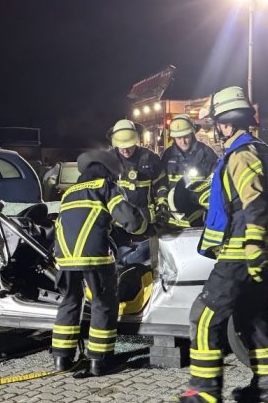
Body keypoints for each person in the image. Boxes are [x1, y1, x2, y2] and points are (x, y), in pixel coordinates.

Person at [177, 86, 268, 403]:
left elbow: (253, 207)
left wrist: (252, 254)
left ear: (224, 124)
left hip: (240, 254)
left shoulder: (241, 155)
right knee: (253, 318)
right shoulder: (260, 150)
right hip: (254, 254)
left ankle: (204, 392)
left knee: (204, 316)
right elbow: (237, 200)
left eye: (215, 123)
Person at [50, 150, 147, 376]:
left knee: (69, 302)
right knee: (103, 304)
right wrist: (146, 227)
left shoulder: (69, 192)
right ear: (109, 171)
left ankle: (61, 359)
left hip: (64, 257)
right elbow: (130, 220)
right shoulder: (105, 187)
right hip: (94, 256)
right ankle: (98, 361)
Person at [107, 119, 166, 265]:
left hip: (146, 223)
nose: (125, 151)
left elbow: (161, 185)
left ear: (136, 141)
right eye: (121, 148)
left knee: (145, 264)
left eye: (129, 146)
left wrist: (162, 204)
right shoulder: (109, 160)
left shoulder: (150, 158)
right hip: (117, 225)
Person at [157, 114, 218, 228]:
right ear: (174, 138)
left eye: (186, 137)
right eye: (179, 138)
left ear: (192, 134)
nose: (183, 142)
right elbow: (162, 182)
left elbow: (216, 182)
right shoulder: (168, 155)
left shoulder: (206, 153)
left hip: (198, 220)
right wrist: (162, 202)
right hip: (173, 223)